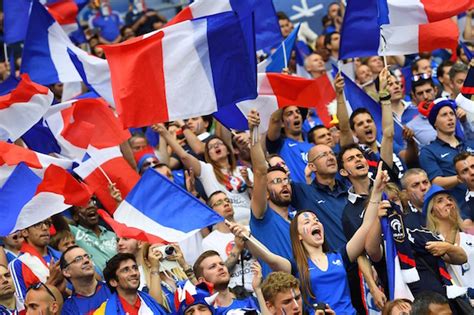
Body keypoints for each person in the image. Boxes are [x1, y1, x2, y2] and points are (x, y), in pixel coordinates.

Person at [228, 162, 389, 315]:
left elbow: (366, 225)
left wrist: (376, 191)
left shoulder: (340, 256)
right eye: (307, 221)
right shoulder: (296, 266)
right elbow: (269, 257)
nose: (314, 222)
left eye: (316, 220)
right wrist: (247, 237)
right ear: (298, 235)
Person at [157, 124, 253, 224]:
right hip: (225, 226)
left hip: (250, 221)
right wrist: (165, 133)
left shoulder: (245, 170)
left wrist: (247, 181)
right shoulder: (206, 170)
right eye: (210, 147)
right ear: (208, 155)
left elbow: (258, 198)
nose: (216, 146)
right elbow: (184, 156)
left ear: (228, 150)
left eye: (219, 143)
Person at [248, 110, 293, 276]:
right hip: (279, 293)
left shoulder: (298, 219)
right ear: (265, 193)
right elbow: (260, 171)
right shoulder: (262, 216)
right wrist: (253, 131)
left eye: (285, 180)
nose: (284, 184)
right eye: (276, 181)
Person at [419, 98, 474, 215]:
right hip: (460, 211)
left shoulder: (469, 143)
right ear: (434, 122)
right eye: (444, 115)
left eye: (452, 114)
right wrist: (461, 177)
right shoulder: (428, 151)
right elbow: (436, 182)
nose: (450, 118)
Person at [425, 186, 474, 298]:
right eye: (440, 201)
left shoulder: (469, 238)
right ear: (432, 212)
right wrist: (453, 227)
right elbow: (444, 263)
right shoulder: (432, 242)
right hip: (461, 303)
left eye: (450, 199)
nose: (448, 203)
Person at [202, 191, 255, 291]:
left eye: (227, 200)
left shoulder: (249, 229)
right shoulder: (209, 241)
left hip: (260, 286)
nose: (226, 203)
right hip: (235, 293)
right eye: (219, 202)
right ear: (212, 211)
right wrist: (237, 248)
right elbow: (217, 274)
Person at [9, 219, 64, 305]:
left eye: (47, 223)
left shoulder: (62, 256)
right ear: (24, 232)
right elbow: (24, 306)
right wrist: (52, 280)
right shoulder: (17, 264)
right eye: (38, 224)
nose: (45, 228)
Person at [95, 253, 168, 314]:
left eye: (135, 268)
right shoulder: (103, 312)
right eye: (126, 270)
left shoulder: (152, 304)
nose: (134, 273)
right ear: (113, 282)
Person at [192, 251, 260, 314]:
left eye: (222, 264)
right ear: (202, 281)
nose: (220, 268)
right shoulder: (206, 312)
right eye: (213, 266)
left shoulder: (247, 298)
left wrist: (257, 289)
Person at [266, 106, 313, 183]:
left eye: (298, 112)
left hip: (319, 192)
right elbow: (275, 120)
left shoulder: (313, 145)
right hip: (296, 192)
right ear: (282, 124)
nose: (296, 115)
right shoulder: (280, 144)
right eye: (289, 114)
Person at [60, 245, 112, 315]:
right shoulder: (69, 308)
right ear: (66, 272)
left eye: (87, 256)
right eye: (78, 259)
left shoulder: (112, 288)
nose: (86, 260)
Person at [69, 197, 117, 272]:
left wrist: (118, 202)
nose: (90, 206)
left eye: (92, 203)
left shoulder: (113, 235)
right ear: (75, 217)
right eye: (82, 206)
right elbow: (58, 219)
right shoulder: (75, 233)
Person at [406, 77, 438, 147]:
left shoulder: (451, 113)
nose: (425, 96)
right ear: (414, 96)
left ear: (435, 90)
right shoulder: (411, 127)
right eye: (420, 93)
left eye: (428, 91)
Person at [453, 152, 474, 229]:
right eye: (465, 171)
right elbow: (469, 231)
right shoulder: (464, 207)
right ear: (460, 179)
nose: (472, 172)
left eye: (473, 166)